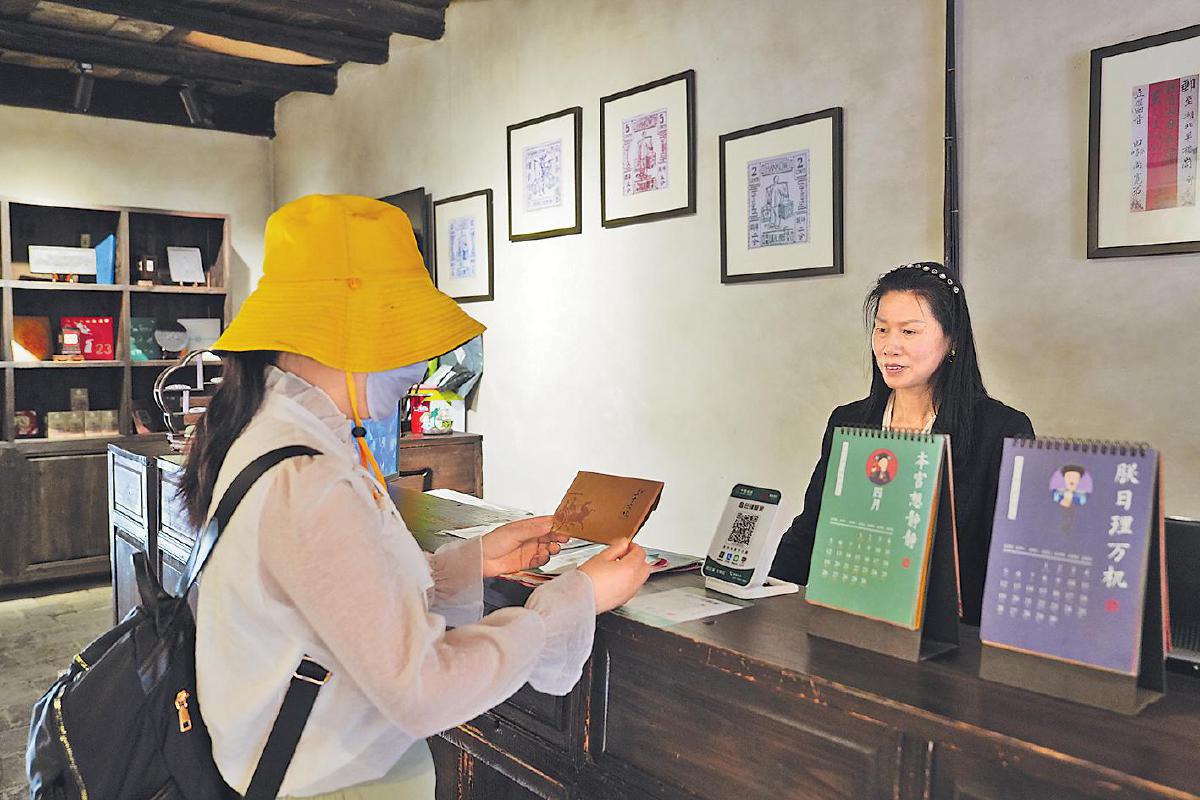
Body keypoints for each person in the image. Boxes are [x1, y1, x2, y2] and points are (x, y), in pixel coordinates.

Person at [180, 195, 651, 799]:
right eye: (398, 330)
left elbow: (341, 601)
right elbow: (422, 689)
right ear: (341, 329)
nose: (417, 366)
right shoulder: (308, 475)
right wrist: (571, 602)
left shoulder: (268, 428)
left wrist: (472, 562)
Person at [770, 262, 1033, 625]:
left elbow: (1009, 562)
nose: (890, 346)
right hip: (848, 619)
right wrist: (765, 597)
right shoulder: (849, 421)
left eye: (909, 331)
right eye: (882, 329)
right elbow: (812, 528)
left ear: (952, 340)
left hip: (952, 633)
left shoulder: (1000, 429)